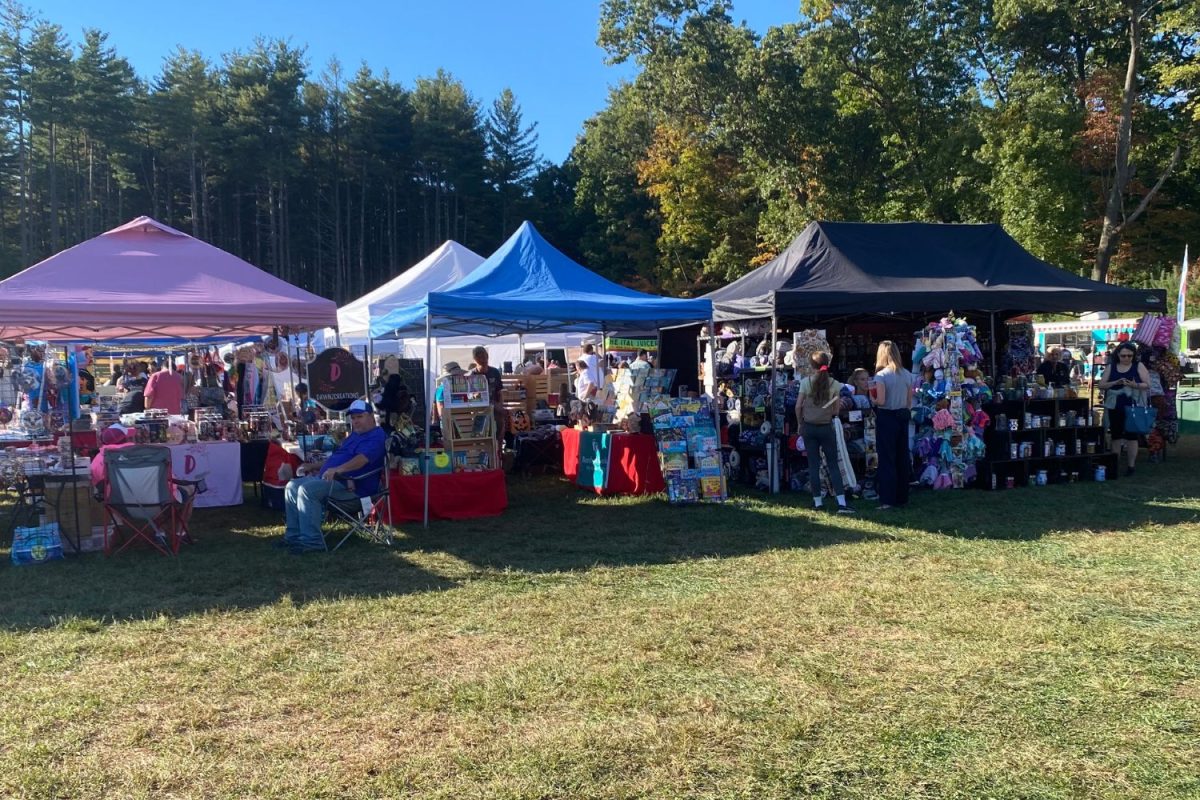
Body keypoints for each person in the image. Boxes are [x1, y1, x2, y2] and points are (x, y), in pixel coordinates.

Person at [280, 399, 387, 553]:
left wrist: (338, 470)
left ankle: (312, 543)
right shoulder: (355, 435)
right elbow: (335, 458)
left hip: (354, 490)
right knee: (292, 486)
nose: (355, 421)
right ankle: (293, 537)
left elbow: (361, 460)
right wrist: (313, 466)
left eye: (360, 417)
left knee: (307, 490)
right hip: (334, 480)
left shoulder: (376, 436)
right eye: (353, 417)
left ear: (371, 416)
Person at [795, 351, 854, 514]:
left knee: (813, 465)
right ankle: (841, 502)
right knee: (833, 464)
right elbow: (836, 408)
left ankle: (818, 503)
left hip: (809, 427)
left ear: (811, 365)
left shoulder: (806, 382)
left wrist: (800, 422)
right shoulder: (834, 383)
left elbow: (798, 406)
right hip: (826, 427)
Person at [871, 340, 914, 509]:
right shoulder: (907, 374)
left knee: (887, 458)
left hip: (887, 416)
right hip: (902, 416)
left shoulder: (881, 376)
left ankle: (887, 499)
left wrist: (872, 398)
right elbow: (909, 401)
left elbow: (880, 400)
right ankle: (902, 497)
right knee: (902, 457)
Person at [1097, 341, 1151, 476]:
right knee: (1115, 436)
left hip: (1133, 406)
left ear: (1134, 356)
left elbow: (1147, 384)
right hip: (1115, 406)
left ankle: (1131, 466)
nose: (1126, 358)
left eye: (1129, 356)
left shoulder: (1138, 366)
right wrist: (1115, 382)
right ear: (1118, 355)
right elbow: (1101, 385)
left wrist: (1134, 385)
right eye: (1123, 356)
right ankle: (1115, 465)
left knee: (1132, 437)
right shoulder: (1111, 367)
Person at [470, 346, 507, 446]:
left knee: (500, 430)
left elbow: (499, 391)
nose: (483, 359)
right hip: (480, 409)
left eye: (484, 356)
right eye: (479, 357)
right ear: (475, 359)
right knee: (481, 435)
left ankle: (498, 453)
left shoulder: (494, 372)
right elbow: (471, 396)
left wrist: (501, 406)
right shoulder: (472, 374)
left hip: (495, 407)